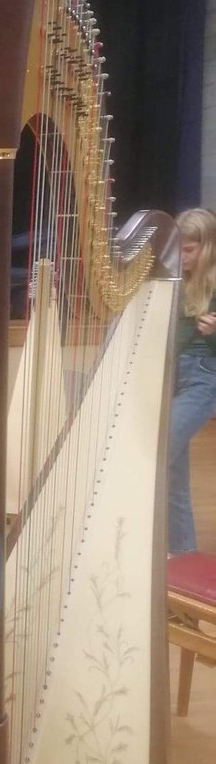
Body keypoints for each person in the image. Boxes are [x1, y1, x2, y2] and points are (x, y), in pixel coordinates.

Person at [169, 208, 216, 554]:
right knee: (174, 479)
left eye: (189, 250)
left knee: (156, 456)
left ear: (207, 247)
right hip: (171, 376)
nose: (182, 257)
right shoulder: (172, 281)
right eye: (178, 248)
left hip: (204, 377)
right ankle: (183, 556)